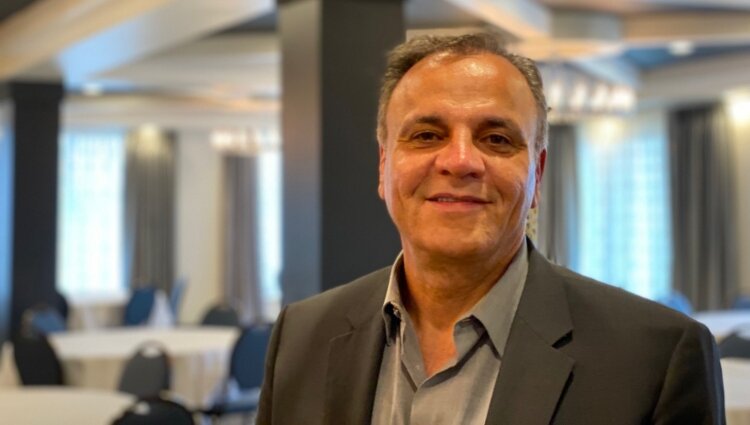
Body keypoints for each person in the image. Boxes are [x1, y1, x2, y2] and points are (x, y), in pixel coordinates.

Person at [257, 32, 724, 425]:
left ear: (537, 174)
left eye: (496, 139)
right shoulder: (301, 337)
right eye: (426, 135)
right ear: (384, 166)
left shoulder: (655, 358)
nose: (460, 161)